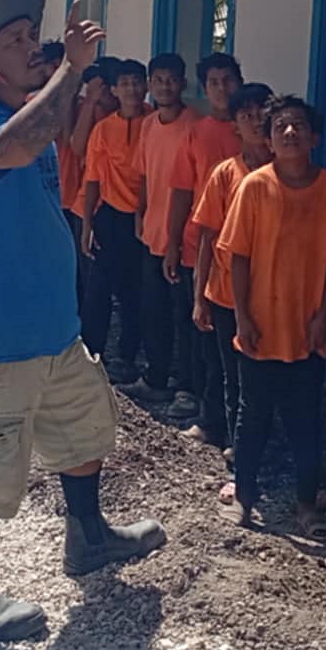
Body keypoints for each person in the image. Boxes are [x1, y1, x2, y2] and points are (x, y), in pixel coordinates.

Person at [0, 0, 165, 642]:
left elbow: (46, 129)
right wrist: (71, 68)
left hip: (52, 333)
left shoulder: (28, 112)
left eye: (34, 37)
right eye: (17, 41)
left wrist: (67, 79)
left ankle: (87, 538)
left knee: (82, 431)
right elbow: (11, 148)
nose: (33, 48)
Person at [218, 94, 326, 537]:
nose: (290, 133)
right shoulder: (254, 186)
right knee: (252, 415)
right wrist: (242, 316)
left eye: (298, 126)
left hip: (305, 326)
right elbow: (237, 255)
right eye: (280, 128)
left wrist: (323, 317)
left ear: (313, 137)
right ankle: (245, 498)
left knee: (305, 419)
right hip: (260, 324)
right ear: (269, 140)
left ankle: (306, 505)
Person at [192, 82, 275, 505]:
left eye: (263, 111)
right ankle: (240, 462)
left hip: (275, 296)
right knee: (234, 378)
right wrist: (199, 294)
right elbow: (207, 237)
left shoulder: (290, 173)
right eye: (246, 115)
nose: (256, 120)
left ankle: (265, 453)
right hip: (226, 293)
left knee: (270, 379)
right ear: (236, 126)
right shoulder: (225, 173)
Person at [170, 53, 245, 445]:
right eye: (213, 82)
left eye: (228, 80)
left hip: (250, 253)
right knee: (206, 338)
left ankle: (243, 426)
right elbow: (183, 190)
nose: (221, 88)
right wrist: (171, 242)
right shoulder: (196, 132)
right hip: (203, 245)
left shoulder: (254, 130)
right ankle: (210, 415)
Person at [131, 52, 199, 418]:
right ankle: (156, 378)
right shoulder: (148, 125)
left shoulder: (195, 126)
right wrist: (140, 213)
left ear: (183, 83)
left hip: (186, 240)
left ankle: (188, 386)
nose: (165, 86)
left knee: (186, 316)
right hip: (152, 233)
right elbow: (143, 174)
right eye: (158, 80)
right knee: (153, 310)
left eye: (172, 79)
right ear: (150, 85)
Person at [81, 59, 149, 386]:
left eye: (138, 82)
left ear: (146, 86)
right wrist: (87, 224)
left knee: (135, 291)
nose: (132, 89)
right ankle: (92, 353)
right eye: (125, 83)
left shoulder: (157, 122)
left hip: (148, 217)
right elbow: (92, 178)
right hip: (111, 214)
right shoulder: (104, 128)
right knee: (99, 288)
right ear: (115, 90)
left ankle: (127, 355)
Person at [62, 53, 117, 328]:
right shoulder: (89, 109)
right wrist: (91, 103)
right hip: (85, 204)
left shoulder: (137, 113)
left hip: (119, 208)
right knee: (84, 278)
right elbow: (77, 145)